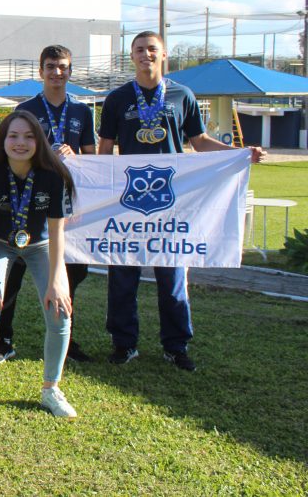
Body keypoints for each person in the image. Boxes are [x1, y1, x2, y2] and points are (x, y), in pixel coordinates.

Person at [97, 31, 265, 372]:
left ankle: (175, 346)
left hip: (171, 202)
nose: (146, 55)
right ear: (132, 56)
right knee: (122, 275)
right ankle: (123, 343)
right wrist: (100, 188)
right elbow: (105, 151)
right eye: (139, 50)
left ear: (164, 55)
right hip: (127, 202)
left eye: (152, 49)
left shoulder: (181, 95)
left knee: (172, 277)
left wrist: (240, 154)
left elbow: (200, 142)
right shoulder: (116, 99)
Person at [0, 110, 78, 418]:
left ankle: (50, 388)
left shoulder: (54, 176)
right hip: (0, 244)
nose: (20, 143)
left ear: (39, 142)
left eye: (29, 136)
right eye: (13, 136)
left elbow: (57, 233)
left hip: (41, 246)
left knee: (59, 310)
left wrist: (56, 281)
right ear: (2, 141)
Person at [0, 44, 95, 364]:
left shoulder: (83, 111)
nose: (57, 72)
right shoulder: (25, 110)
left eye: (63, 66)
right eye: (51, 66)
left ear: (70, 71)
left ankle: (65, 336)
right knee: (13, 270)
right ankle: (3, 338)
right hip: (25, 203)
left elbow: (93, 158)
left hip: (68, 204)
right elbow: (11, 151)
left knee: (70, 271)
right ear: (40, 71)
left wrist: (75, 156)